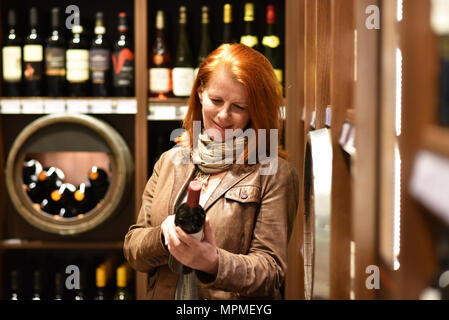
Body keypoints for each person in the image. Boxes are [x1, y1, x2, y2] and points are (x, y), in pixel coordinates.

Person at [124, 43, 299, 300]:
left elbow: (271, 271)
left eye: (239, 107)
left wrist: (213, 262)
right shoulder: (170, 160)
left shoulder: (273, 173)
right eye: (216, 100)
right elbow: (132, 249)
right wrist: (163, 236)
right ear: (200, 93)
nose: (224, 115)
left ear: (256, 110)